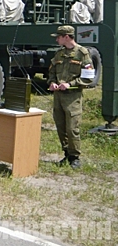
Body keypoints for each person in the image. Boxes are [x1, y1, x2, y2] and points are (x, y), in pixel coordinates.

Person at [47, 25, 94, 169]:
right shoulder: (59, 54)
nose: (56, 39)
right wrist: (52, 83)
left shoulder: (82, 53)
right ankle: (67, 153)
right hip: (58, 97)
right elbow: (52, 72)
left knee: (72, 128)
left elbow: (88, 77)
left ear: (66, 37)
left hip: (72, 97)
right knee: (61, 126)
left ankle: (75, 157)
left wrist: (70, 84)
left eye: (59, 37)